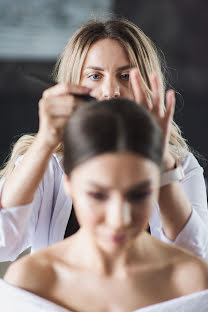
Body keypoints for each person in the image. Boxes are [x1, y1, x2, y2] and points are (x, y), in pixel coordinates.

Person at [0, 17, 207, 262]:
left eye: (125, 76)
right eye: (95, 76)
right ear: (73, 85)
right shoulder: (47, 163)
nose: (111, 91)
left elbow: (195, 258)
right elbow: (3, 243)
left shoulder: (180, 166)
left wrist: (161, 160)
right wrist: (45, 141)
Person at [4, 98, 208, 311]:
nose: (119, 220)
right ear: (69, 184)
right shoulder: (30, 282)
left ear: (159, 186)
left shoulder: (190, 281)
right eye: (98, 195)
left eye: (139, 194)